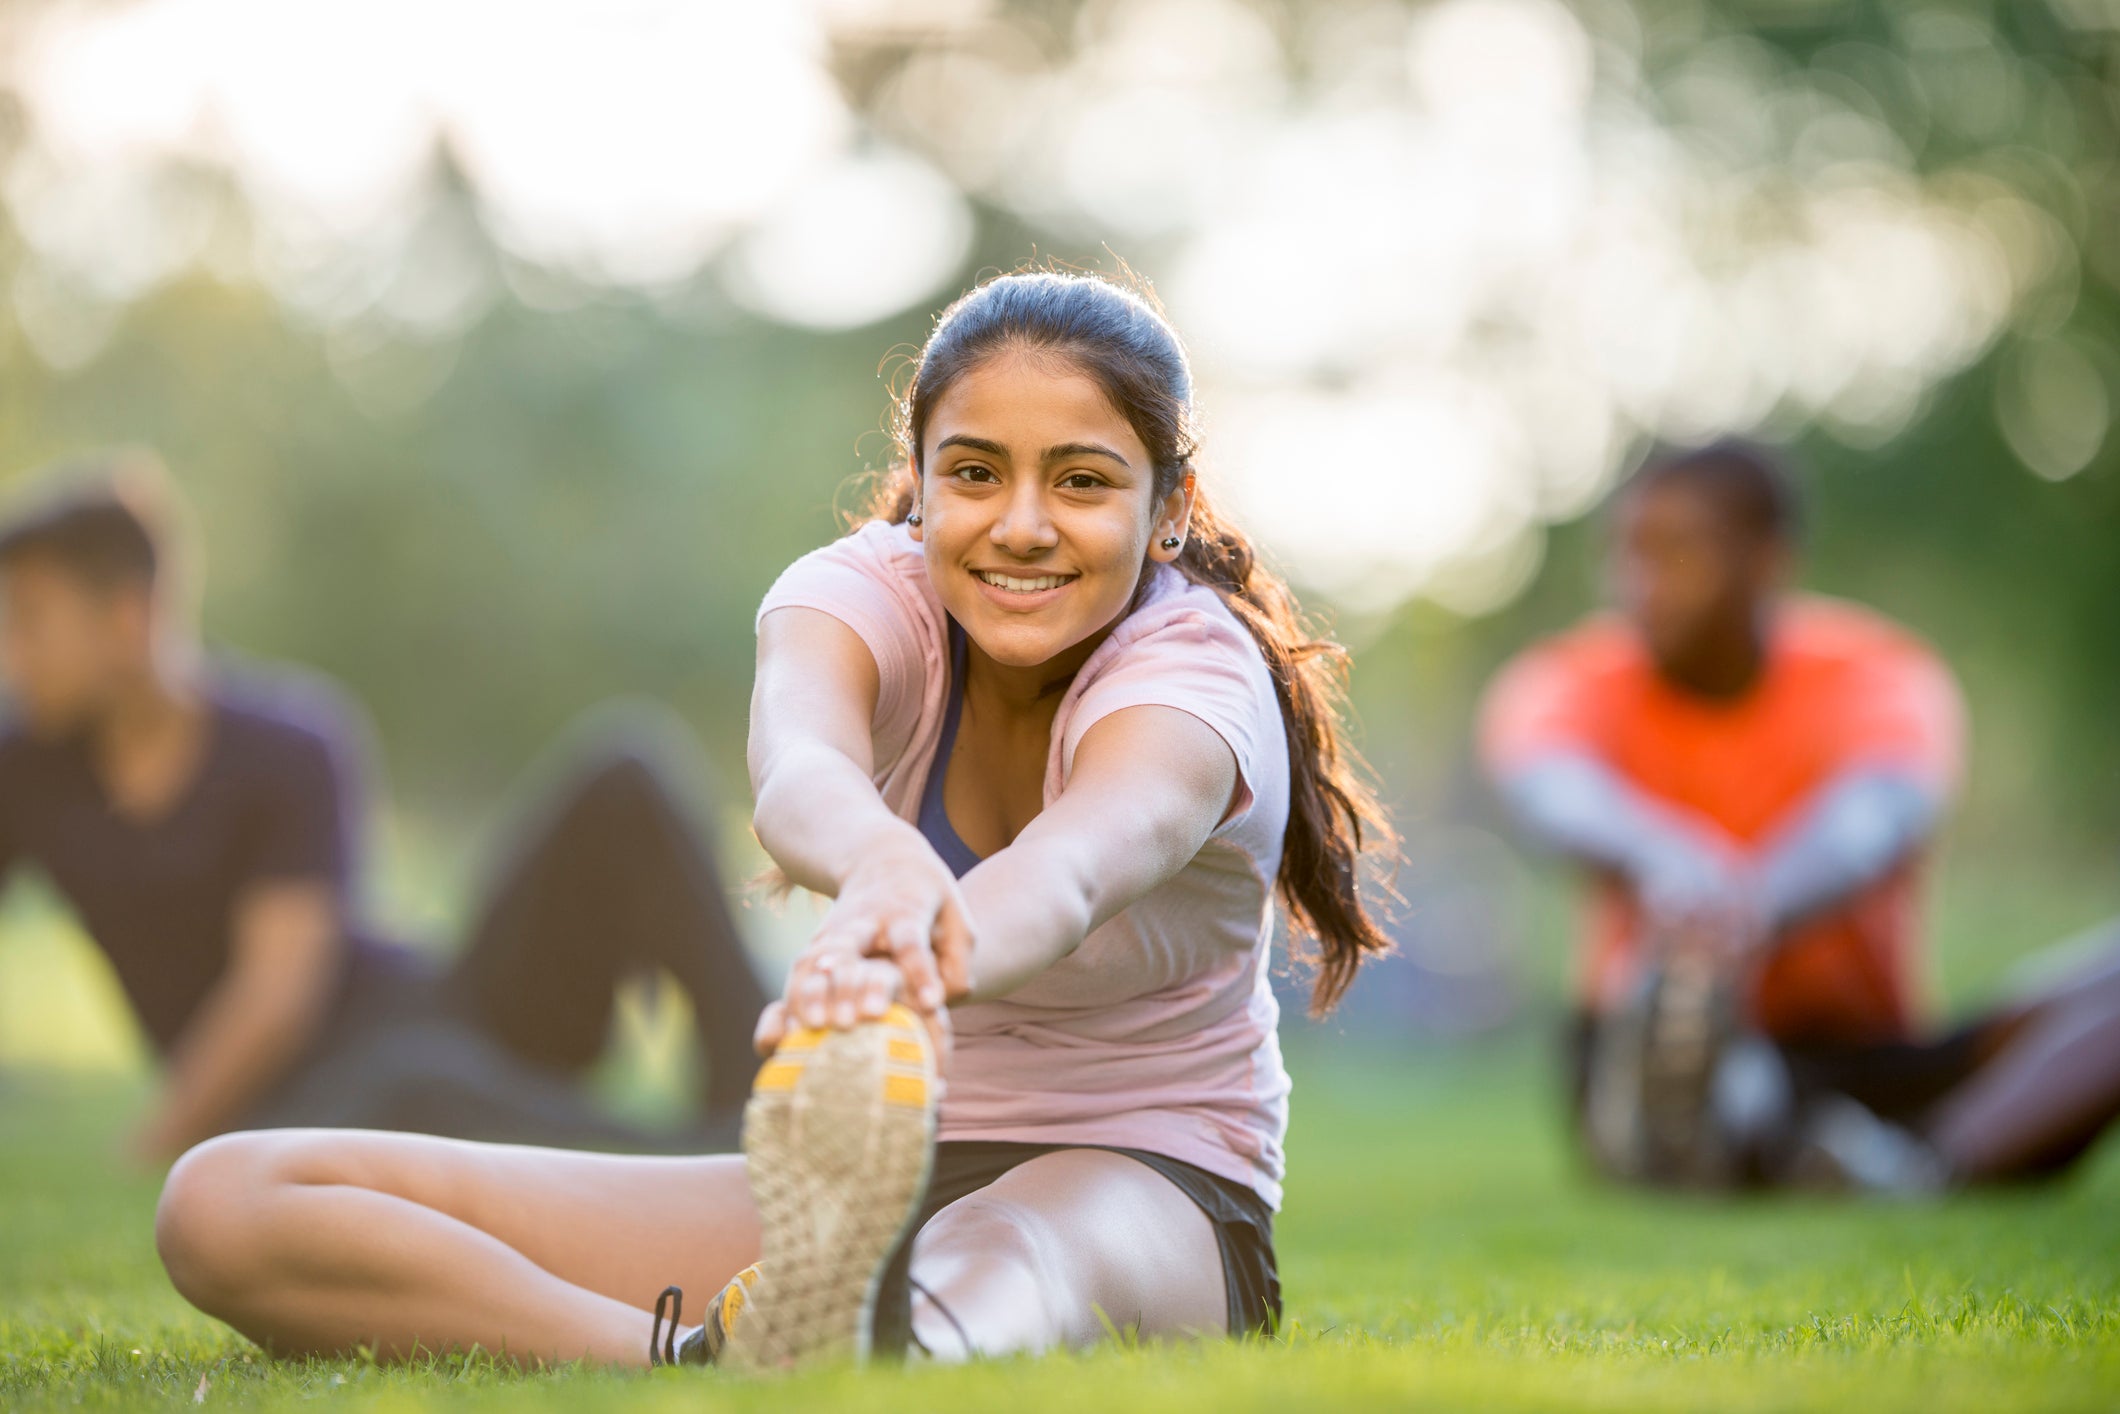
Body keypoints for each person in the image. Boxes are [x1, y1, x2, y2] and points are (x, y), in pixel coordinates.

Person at [149, 268, 1395, 1369]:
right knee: (227, 1195)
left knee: (1002, 1252)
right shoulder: (855, 596)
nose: (1019, 523)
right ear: (918, 479)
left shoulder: (1192, 675)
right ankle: (701, 1361)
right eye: (972, 472)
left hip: (1143, 1182)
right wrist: (880, 870)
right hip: (849, 1184)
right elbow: (798, 774)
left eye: (1079, 481)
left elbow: (1072, 871)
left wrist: (901, 954)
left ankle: (902, 1346)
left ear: (1165, 505)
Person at [0, 457, 768, 1162]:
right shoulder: (26, 768)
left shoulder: (288, 742)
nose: (10, 653)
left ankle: (769, 1100)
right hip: (316, 1103)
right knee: (409, 1093)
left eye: (30, 620)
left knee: (623, 771)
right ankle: (699, 1164)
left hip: (436, 1017)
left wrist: (148, 1148)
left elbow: (277, 1000)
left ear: (126, 619)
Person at [1478, 440, 2120, 1190]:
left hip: (1859, 1054)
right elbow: (1554, 792)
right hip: (1646, 1044)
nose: (1638, 583)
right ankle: (1735, 1122)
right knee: (1677, 1016)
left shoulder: (1873, 670)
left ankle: (1918, 1176)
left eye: (1676, 553)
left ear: (1766, 561)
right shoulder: (1574, 677)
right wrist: (1671, 861)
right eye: (1627, 554)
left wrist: (1750, 906)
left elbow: (1873, 821)